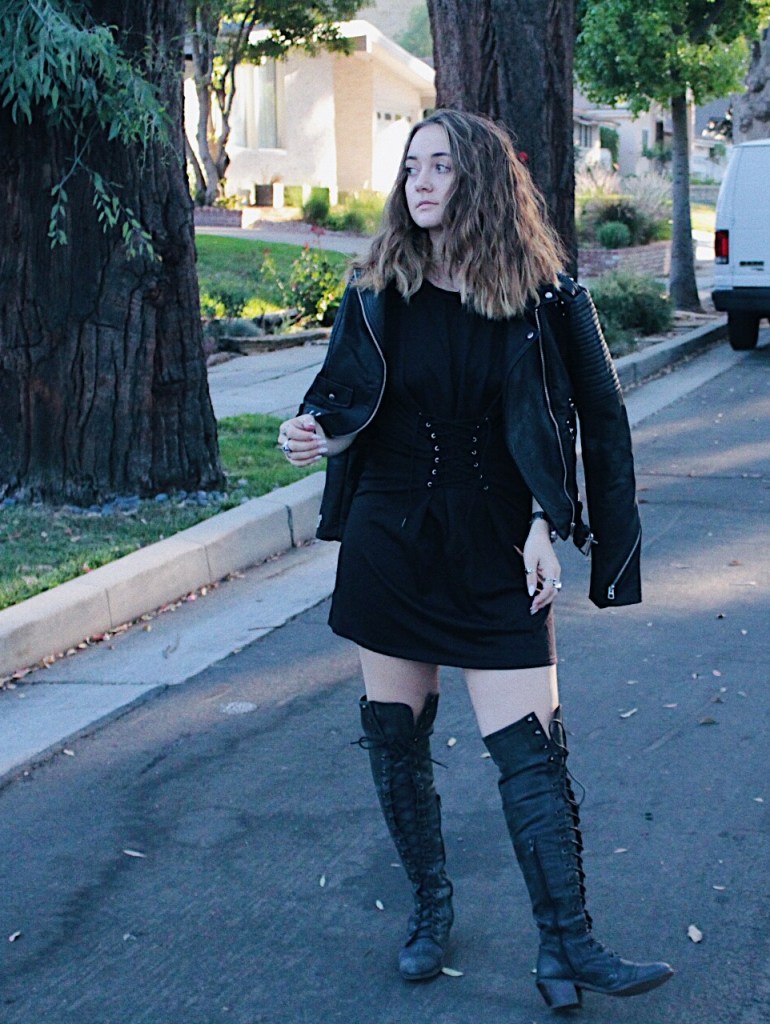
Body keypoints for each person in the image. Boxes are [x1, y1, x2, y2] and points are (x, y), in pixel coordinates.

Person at [277, 109, 673, 1011]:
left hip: (497, 538)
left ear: (482, 181)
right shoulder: (376, 287)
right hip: (390, 538)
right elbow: (341, 404)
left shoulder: (544, 295)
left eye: (441, 167)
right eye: (411, 166)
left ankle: (568, 945)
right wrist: (315, 436)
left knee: (531, 750)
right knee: (395, 738)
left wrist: (547, 521)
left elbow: (587, 419)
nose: (419, 182)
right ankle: (429, 910)